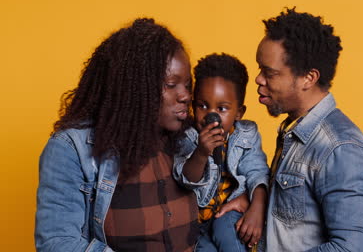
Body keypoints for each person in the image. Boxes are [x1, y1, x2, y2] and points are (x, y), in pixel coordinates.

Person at [35, 18, 199, 252]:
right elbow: (57, 243)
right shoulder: (71, 149)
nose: (185, 96)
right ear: (135, 88)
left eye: (187, 84)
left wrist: (248, 196)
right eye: (171, 84)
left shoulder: (185, 137)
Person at [252, 8, 363, 251]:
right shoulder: (295, 134)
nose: (258, 79)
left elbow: (352, 248)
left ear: (308, 78)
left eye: (269, 73)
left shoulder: (340, 150)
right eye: (259, 69)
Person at [173, 53, 269, 251]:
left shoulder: (246, 134)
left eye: (222, 108)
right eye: (203, 106)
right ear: (193, 106)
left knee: (227, 233)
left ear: (239, 112)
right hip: (196, 224)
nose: (211, 116)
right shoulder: (186, 136)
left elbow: (257, 171)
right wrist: (201, 153)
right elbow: (185, 179)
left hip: (230, 214)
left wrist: (258, 207)